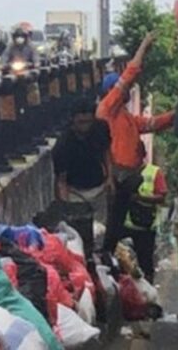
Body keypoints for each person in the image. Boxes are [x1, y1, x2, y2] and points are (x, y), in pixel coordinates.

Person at [98, 31, 175, 253]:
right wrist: (143, 47)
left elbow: (151, 124)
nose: (127, 91)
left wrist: (176, 114)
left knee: (124, 230)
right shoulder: (107, 110)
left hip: (128, 180)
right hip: (118, 177)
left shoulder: (125, 117)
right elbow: (128, 76)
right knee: (114, 228)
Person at [52, 98, 112, 254]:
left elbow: (106, 152)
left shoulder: (100, 129)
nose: (85, 127)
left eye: (88, 122)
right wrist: (66, 205)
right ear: (73, 120)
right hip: (75, 191)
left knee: (100, 232)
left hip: (98, 187)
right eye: (81, 122)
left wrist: (110, 178)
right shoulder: (63, 144)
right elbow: (61, 180)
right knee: (78, 234)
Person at [123, 160, 169, 282]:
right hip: (126, 225)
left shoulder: (154, 172)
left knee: (145, 263)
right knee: (124, 261)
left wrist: (140, 198)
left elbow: (162, 197)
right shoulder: (123, 170)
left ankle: (147, 287)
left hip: (146, 226)